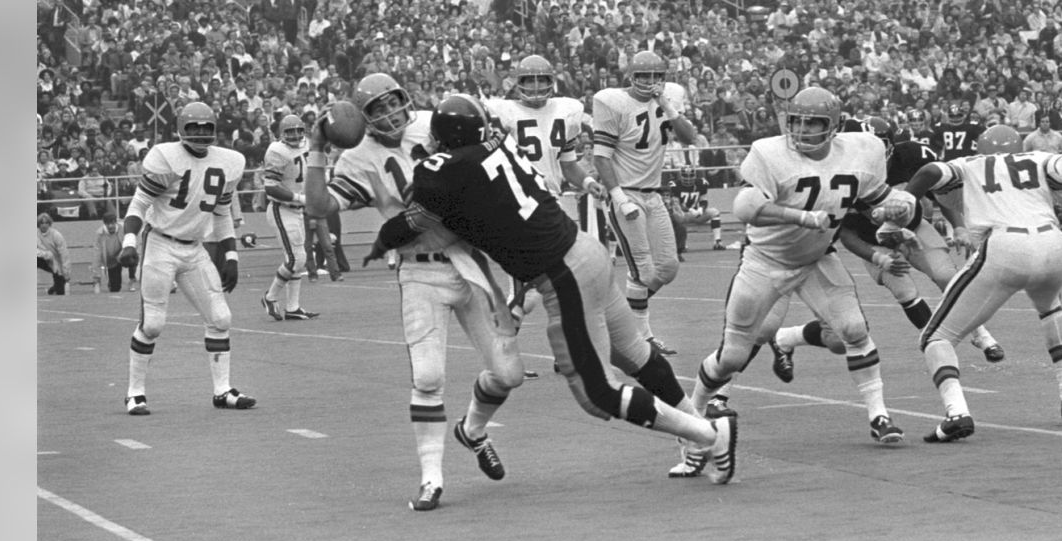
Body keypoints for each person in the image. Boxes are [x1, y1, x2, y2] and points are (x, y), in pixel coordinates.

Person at [363, 94, 737, 488]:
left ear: (441, 141)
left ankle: (709, 437)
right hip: (587, 252)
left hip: (563, 273)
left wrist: (386, 229)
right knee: (635, 355)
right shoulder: (502, 140)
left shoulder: (442, 170)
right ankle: (694, 430)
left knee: (598, 394)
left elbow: (413, 223)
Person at [304, 73, 525, 512]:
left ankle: (473, 430)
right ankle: (431, 477)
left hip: (469, 260)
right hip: (419, 271)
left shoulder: (436, 124)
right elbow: (317, 207)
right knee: (427, 377)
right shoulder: (357, 158)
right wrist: (316, 148)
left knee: (508, 375)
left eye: (393, 103)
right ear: (364, 119)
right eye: (377, 109)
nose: (389, 114)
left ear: (407, 100)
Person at [684, 87, 909, 455]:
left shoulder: (859, 150)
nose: (803, 130)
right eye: (798, 121)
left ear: (833, 125)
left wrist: (899, 209)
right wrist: (800, 217)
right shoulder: (770, 153)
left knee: (853, 330)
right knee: (734, 356)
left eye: (813, 122)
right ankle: (693, 413)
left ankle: (879, 416)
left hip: (816, 259)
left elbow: (882, 198)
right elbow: (745, 206)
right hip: (766, 261)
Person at [879, 124, 1062, 440]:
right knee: (1051, 307)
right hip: (1053, 243)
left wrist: (905, 198)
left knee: (935, 337)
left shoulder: (970, 163)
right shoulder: (1039, 158)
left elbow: (930, 170)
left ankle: (956, 413)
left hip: (1005, 245)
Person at [770, 117, 1004, 371]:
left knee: (948, 276)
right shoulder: (840, 175)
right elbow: (847, 235)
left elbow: (939, 190)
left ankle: (981, 336)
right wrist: (876, 257)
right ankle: (937, 344)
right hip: (874, 242)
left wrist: (958, 225)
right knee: (905, 291)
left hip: (913, 227)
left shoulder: (914, 155)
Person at [115, 102, 255, 416]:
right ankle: (134, 393)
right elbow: (138, 205)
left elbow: (222, 214)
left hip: (194, 249)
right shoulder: (166, 157)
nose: (201, 134)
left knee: (220, 319)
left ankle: (222, 391)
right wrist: (129, 243)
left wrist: (231, 255)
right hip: (161, 244)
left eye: (207, 128)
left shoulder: (229, 162)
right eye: (194, 128)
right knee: (152, 324)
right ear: (181, 129)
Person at [484, 55, 604, 325]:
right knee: (528, 289)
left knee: (565, 278)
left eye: (542, 80)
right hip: (518, 204)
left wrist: (588, 183)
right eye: (529, 80)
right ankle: (501, 356)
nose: (536, 87)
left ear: (552, 82)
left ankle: (567, 352)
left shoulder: (566, 110)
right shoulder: (503, 111)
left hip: (552, 202)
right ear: (518, 83)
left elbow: (568, 165)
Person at [592, 51, 697, 357]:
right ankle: (641, 339)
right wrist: (618, 196)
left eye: (656, 77)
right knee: (644, 272)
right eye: (644, 77)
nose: (650, 83)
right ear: (632, 77)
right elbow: (601, 156)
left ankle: (620, 323)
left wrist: (666, 106)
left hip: (654, 194)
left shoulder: (666, 101)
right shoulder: (613, 102)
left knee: (668, 267)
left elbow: (689, 137)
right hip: (627, 193)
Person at [258, 114, 321, 320]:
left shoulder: (307, 145)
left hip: (296, 209)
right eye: (290, 131)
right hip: (281, 208)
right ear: (281, 133)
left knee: (296, 260)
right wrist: (300, 198)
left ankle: (293, 308)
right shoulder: (277, 150)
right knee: (297, 258)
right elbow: (271, 187)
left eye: (298, 130)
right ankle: (270, 296)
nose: (295, 134)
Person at [669, 165, 726, 252]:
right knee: (675, 215)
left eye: (690, 176)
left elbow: (704, 200)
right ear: (681, 176)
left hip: (697, 213)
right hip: (683, 214)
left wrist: (701, 209)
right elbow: (677, 204)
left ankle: (717, 242)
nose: (688, 179)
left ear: (695, 175)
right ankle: (680, 244)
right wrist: (690, 210)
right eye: (685, 176)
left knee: (714, 212)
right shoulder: (675, 185)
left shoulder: (701, 183)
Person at [93, 210, 136, 293]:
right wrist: (96, 278)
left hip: (123, 254)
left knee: (132, 256)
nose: (110, 226)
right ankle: (111, 283)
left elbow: (131, 244)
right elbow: (96, 255)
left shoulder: (123, 229)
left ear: (116, 222)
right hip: (110, 259)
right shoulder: (99, 234)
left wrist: (121, 254)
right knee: (115, 288)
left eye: (112, 223)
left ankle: (132, 280)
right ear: (104, 224)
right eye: (108, 224)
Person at [37, 212, 70, 295]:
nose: (44, 225)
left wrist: (66, 271)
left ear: (49, 223)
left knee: (60, 292)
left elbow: (64, 254)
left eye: (46, 223)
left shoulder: (56, 235)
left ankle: (54, 288)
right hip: (43, 259)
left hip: (56, 262)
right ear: (38, 224)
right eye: (41, 223)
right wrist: (47, 254)